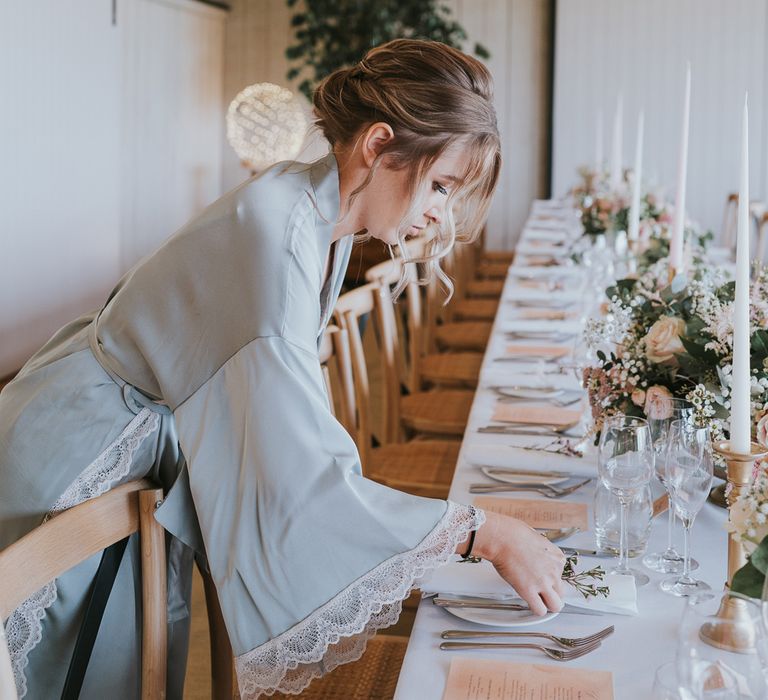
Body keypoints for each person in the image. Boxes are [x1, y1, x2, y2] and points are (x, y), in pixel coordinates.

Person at [0, 39, 566, 699]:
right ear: (379, 145)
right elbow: (308, 479)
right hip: (76, 452)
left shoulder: (311, 217)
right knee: (47, 670)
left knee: (106, 665)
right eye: (439, 185)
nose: (440, 211)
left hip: (124, 443)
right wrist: (481, 532)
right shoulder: (275, 236)